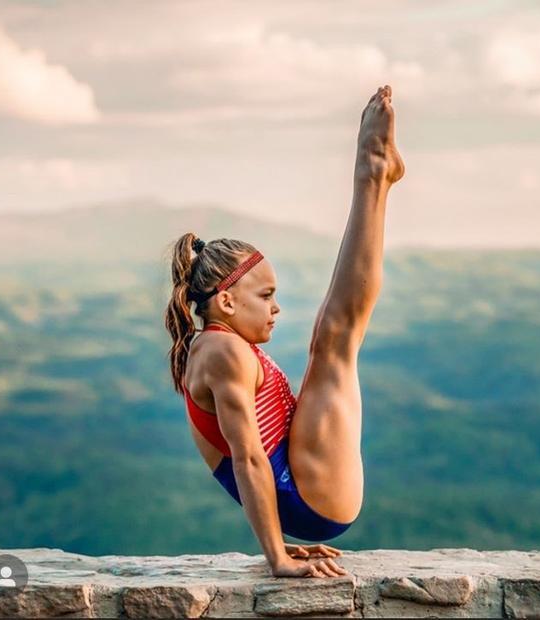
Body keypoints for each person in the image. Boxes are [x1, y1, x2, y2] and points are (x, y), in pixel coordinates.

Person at [164, 85, 405, 579]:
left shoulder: (215, 346)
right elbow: (248, 458)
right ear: (226, 301)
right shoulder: (223, 354)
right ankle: (373, 176)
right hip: (308, 496)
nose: (276, 309)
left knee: (333, 339)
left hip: (300, 485)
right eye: (266, 296)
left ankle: (377, 178)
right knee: (335, 338)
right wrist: (277, 556)